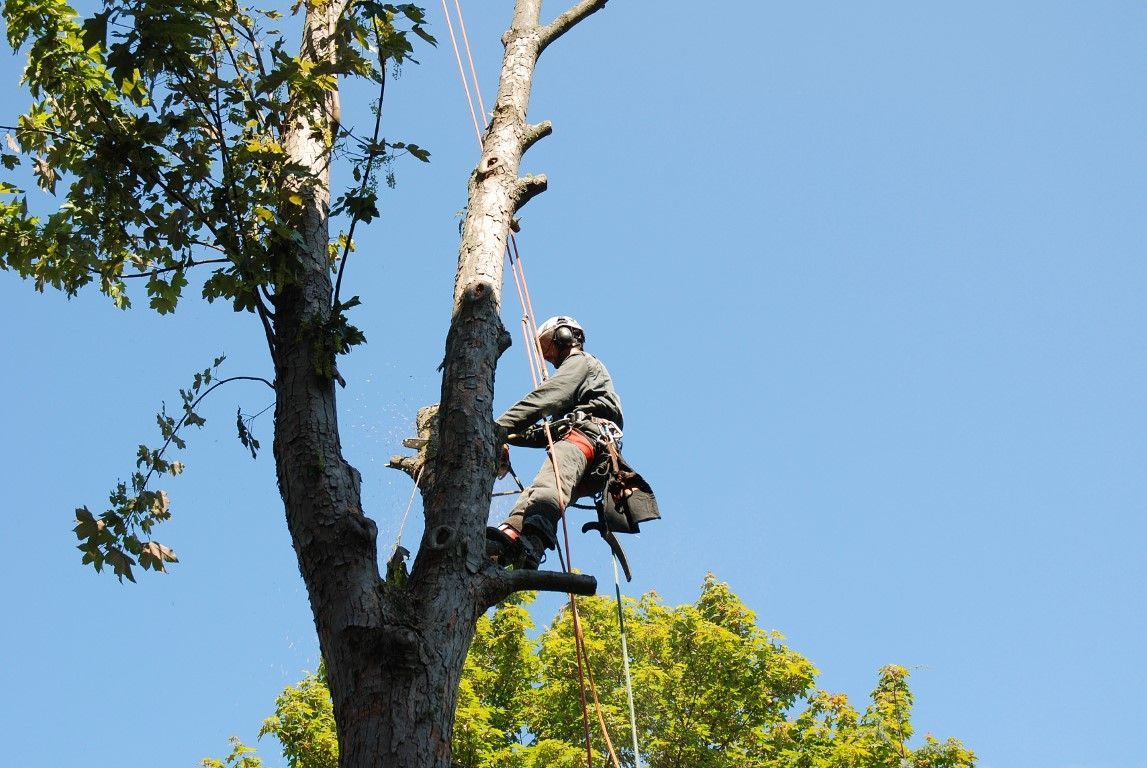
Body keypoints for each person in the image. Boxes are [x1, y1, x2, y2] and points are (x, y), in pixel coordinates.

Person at [487, 315, 624, 570]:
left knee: (548, 486)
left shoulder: (581, 362)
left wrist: (494, 429)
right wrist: (505, 437)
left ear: (566, 336)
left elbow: (546, 397)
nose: (549, 357)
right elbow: (547, 432)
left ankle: (533, 543)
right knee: (534, 493)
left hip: (587, 439)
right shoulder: (577, 401)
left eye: (549, 346)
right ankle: (508, 542)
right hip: (588, 456)